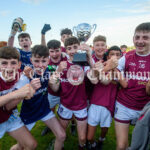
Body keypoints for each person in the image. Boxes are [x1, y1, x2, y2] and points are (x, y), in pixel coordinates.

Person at [20, 45, 66, 150]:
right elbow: (21, 98)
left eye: (44, 61)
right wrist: (30, 87)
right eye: (36, 61)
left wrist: (55, 81)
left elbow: (54, 89)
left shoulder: (49, 71)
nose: (40, 65)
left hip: (44, 110)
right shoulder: (25, 76)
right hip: (29, 113)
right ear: (31, 60)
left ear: (48, 60)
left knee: (62, 135)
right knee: (21, 146)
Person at [114, 22, 150, 150]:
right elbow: (116, 69)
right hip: (124, 105)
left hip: (145, 108)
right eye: (137, 37)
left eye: (145, 37)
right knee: (121, 146)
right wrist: (122, 79)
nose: (140, 41)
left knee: (141, 145)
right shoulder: (127, 56)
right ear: (133, 39)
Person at [53, 36, 93, 150]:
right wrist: (58, 71)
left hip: (80, 105)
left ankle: (81, 146)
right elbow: (54, 85)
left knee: (82, 138)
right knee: (61, 134)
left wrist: (89, 57)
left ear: (79, 47)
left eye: (75, 47)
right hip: (65, 103)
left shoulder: (83, 63)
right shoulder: (62, 65)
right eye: (69, 48)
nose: (73, 51)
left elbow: (94, 79)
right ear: (66, 50)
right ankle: (61, 146)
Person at [86, 46, 124, 150]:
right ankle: (93, 144)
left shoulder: (120, 70)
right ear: (107, 56)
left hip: (108, 105)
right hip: (95, 103)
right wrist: (99, 69)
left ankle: (101, 140)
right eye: (112, 54)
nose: (115, 57)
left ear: (121, 57)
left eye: (118, 55)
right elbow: (94, 78)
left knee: (104, 129)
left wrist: (103, 70)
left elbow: (107, 81)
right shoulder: (100, 65)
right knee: (89, 137)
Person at [0, 46, 37, 150]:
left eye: (13, 63)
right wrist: (17, 94)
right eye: (4, 63)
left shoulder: (21, 75)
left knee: (31, 145)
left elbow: (32, 73)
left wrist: (30, 78)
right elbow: (18, 94)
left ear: (19, 64)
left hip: (10, 117)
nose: (9, 67)